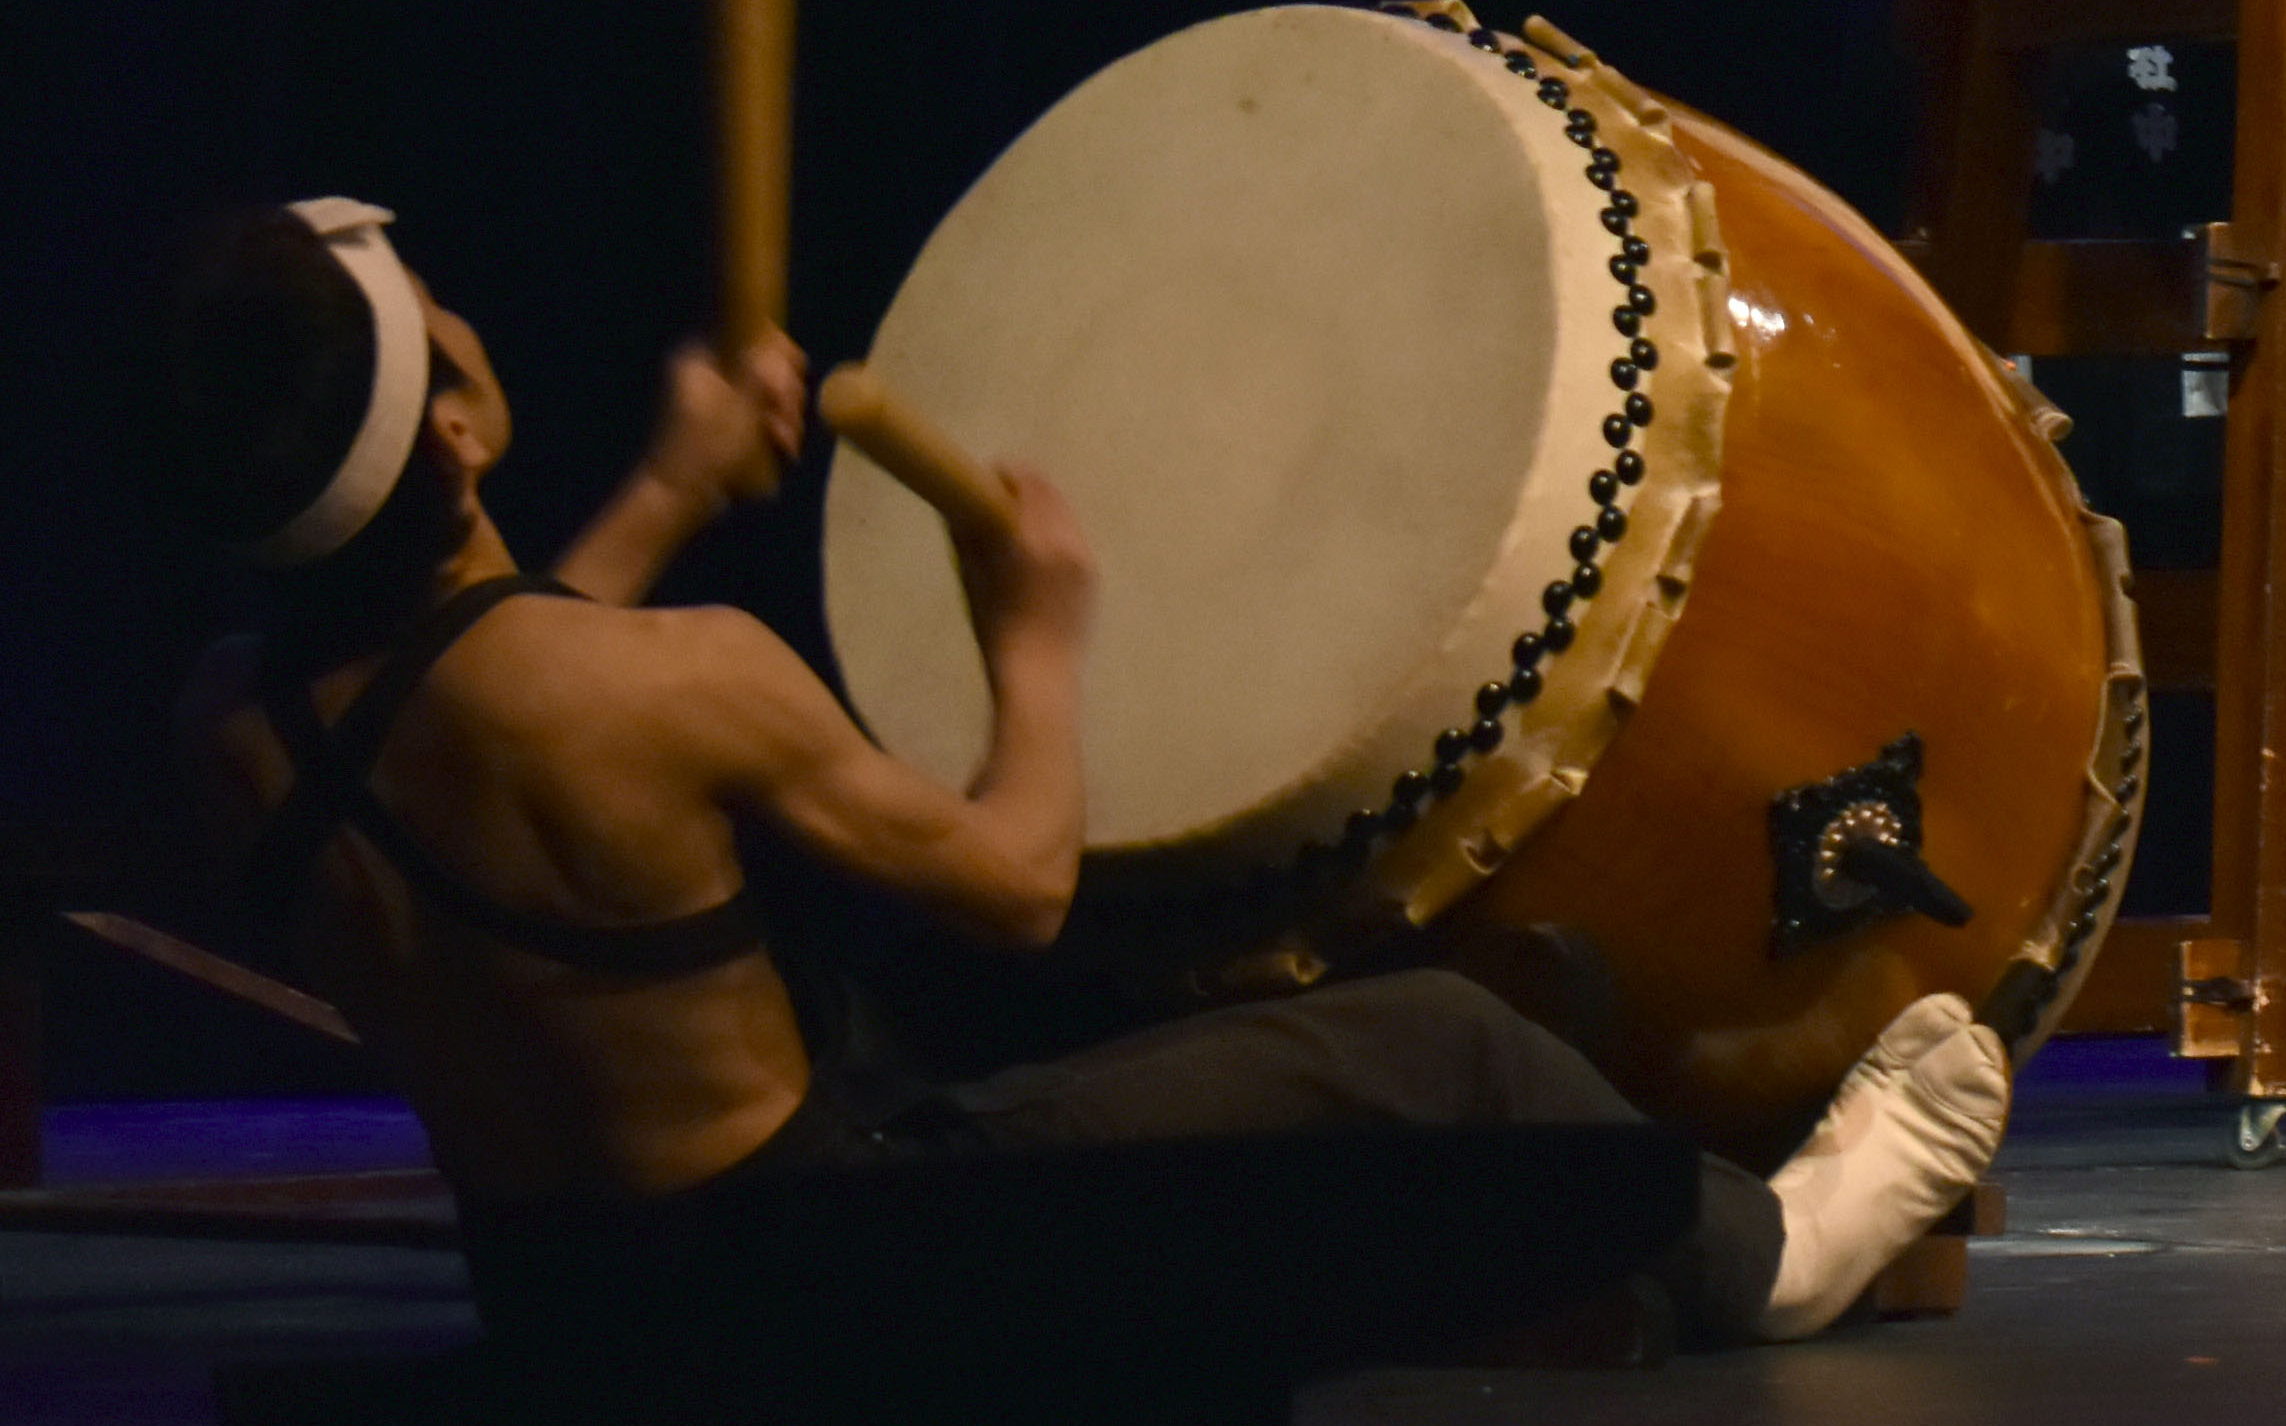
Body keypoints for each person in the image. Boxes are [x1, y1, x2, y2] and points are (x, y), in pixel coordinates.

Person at [145, 197, 2009, 1347]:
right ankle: (1780, 1259)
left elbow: (481, 708)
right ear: (460, 428)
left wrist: (672, 488)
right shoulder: (682, 681)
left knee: (976, 1021)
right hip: (827, 1284)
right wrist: (1035, 637)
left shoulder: (236, 728)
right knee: (1435, 1042)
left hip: (560, 1312)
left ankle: (1524, 1270)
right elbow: (1019, 879)